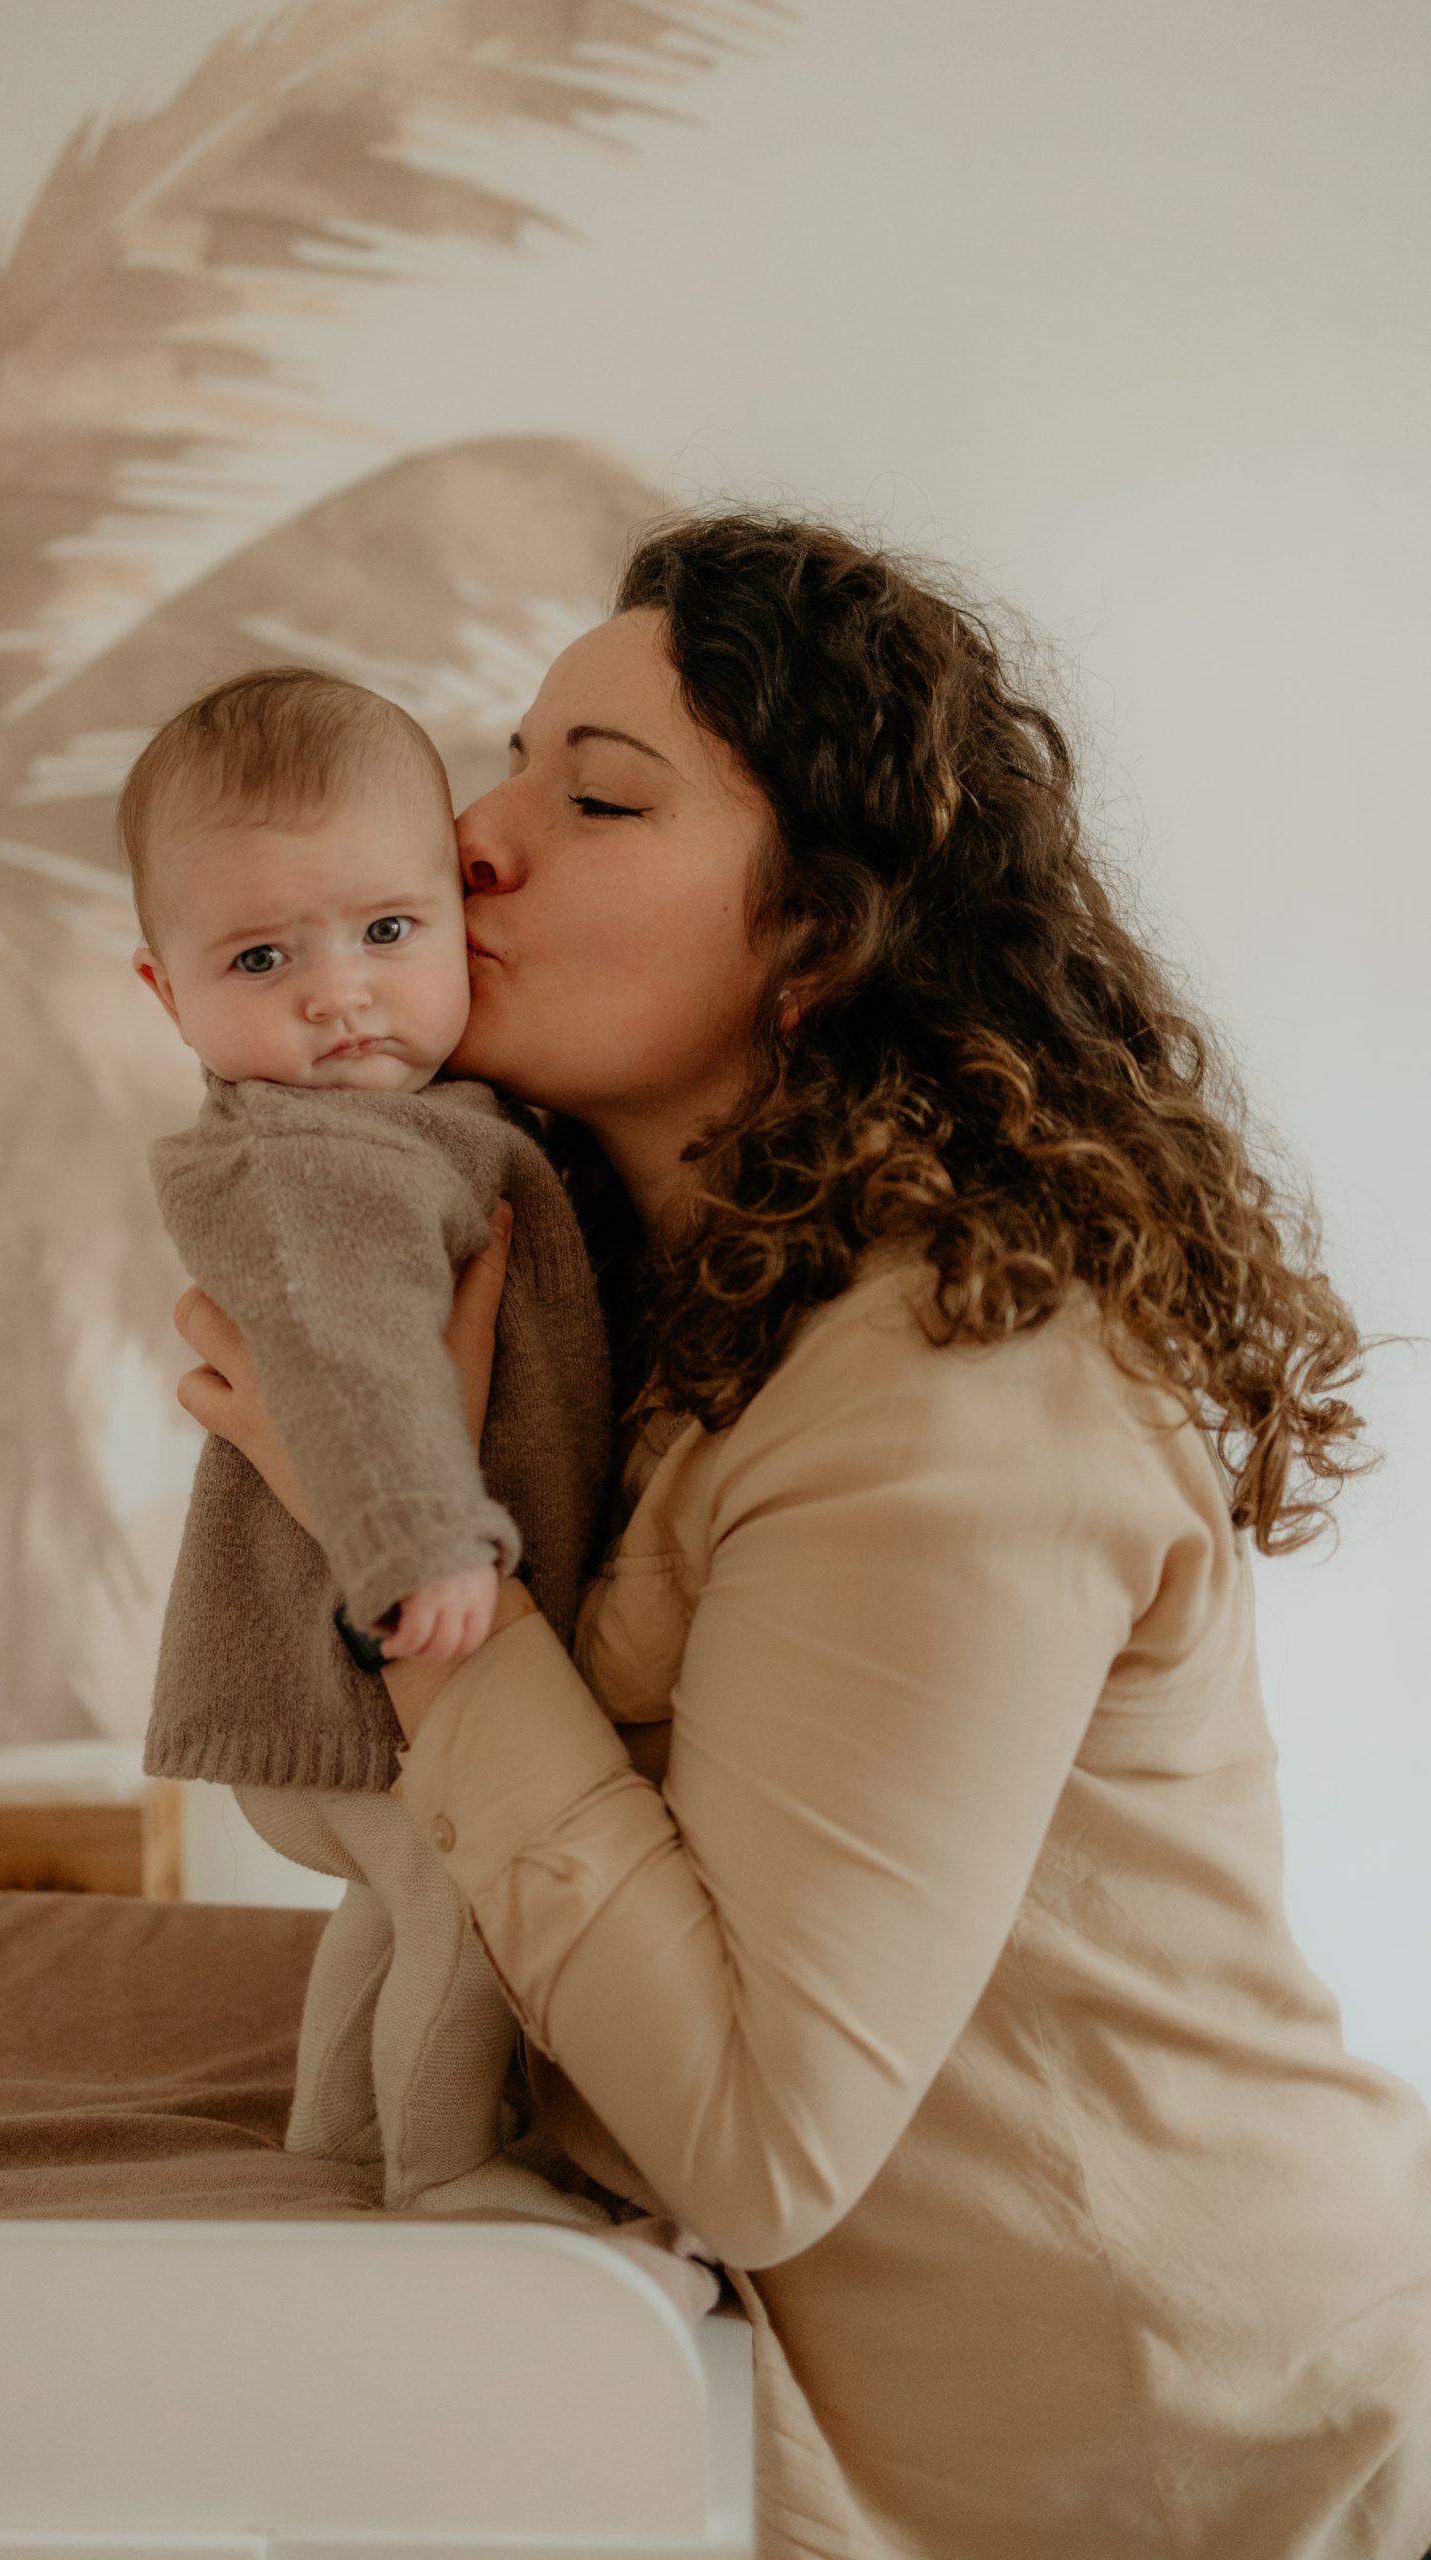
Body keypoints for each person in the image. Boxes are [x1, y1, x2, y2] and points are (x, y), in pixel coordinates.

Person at [166, 513, 1431, 2560]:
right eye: (508, 761)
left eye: (591, 795)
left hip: (1191, 2467)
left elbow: (755, 2141)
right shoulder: (644, 1309)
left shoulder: (945, 1389)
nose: (472, 837)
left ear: (815, 938)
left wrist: (407, 1577)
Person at [121, 667, 717, 2308]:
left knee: (391, 1917)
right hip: (368, 1647)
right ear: (168, 993)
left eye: (388, 931)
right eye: (264, 960)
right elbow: (353, 1366)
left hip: (372, 1652)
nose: (338, 997)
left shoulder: (432, 1129)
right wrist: (422, 1547)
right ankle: (450, 2169)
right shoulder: (312, 1162)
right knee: (460, 1899)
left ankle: (334, 2146)